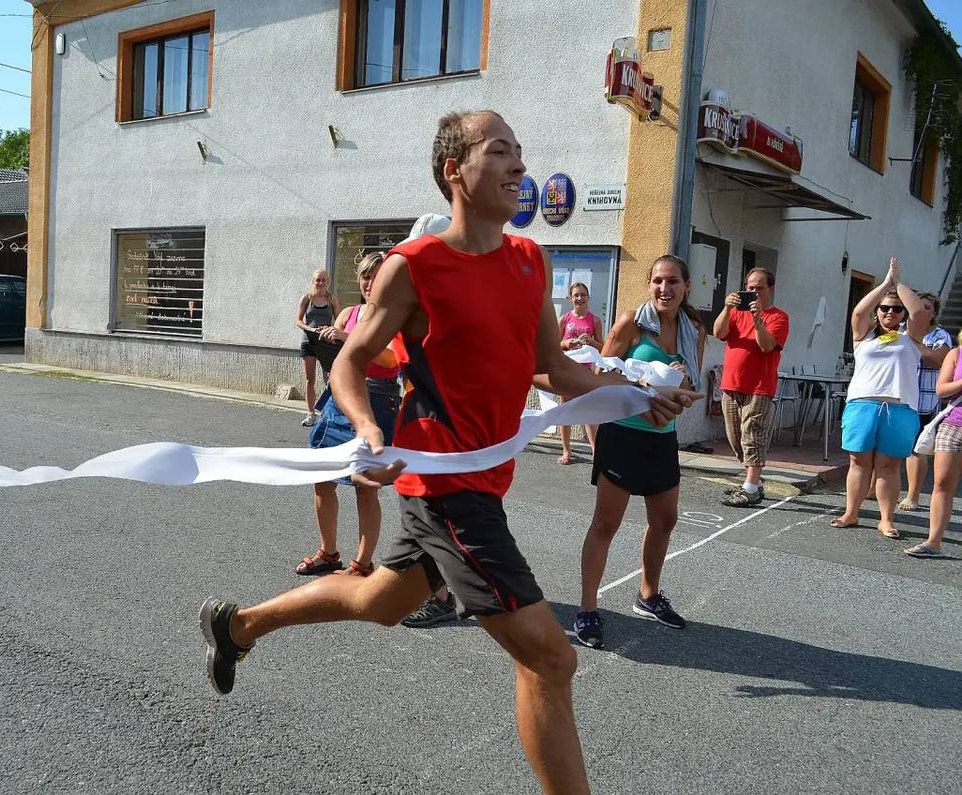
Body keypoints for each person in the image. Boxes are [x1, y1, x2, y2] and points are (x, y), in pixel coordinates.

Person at [199, 110, 696, 793]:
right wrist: (368, 433)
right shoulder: (415, 268)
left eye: (521, 151)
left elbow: (550, 366)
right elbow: (350, 361)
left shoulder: (529, 261)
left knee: (380, 599)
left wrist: (638, 391)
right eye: (500, 151)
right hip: (443, 489)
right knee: (549, 659)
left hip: (486, 480)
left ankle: (238, 624)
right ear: (453, 171)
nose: (519, 166)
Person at [573, 255, 706, 650]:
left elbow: (690, 386)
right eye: (658, 282)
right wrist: (646, 387)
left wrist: (681, 393)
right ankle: (586, 609)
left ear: (685, 287)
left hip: (662, 437)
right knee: (605, 525)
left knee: (665, 520)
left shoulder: (693, 330)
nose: (665, 289)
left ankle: (648, 596)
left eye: (673, 282)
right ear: (649, 284)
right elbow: (599, 374)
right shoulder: (631, 322)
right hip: (623, 434)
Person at [295, 253, 400, 578]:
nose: (370, 283)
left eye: (377, 276)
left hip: (376, 400)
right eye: (366, 277)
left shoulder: (394, 317)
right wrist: (325, 340)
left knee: (365, 485)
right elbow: (337, 358)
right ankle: (328, 552)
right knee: (321, 476)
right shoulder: (349, 314)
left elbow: (392, 360)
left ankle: (363, 564)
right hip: (339, 397)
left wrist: (349, 340)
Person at [830, 257, 928, 539]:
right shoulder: (864, 336)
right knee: (858, 462)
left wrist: (899, 285)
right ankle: (851, 512)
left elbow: (919, 313)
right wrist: (884, 285)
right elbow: (859, 312)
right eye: (885, 308)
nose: (890, 312)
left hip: (898, 408)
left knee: (889, 466)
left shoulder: (911, 338)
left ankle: (886, 519)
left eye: (896, 309)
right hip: (863, 404)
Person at [712, 267, 789, 507]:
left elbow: (766, 345)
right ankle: (752, 480)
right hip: (732, 384)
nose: (753, 292)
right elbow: (718, 332)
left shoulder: (779, 317)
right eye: (750, 287)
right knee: (736, 438)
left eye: (759, 288)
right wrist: (726, 308)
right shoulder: (735, 313)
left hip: (759, 386)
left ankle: (751, 487)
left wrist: (757, 320)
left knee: (753, 435)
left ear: (770, 289)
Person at [906, 335, 962, 558]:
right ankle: (933, 541)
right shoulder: (956, 353)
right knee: (942, 483)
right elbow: (942, 389)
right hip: (954, 424)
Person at [898, 292, 953, 512]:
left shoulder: (940, 335)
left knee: (916, 449)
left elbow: (937, 360)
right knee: (887, 446)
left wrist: (912, 343)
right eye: (918, 307)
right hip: (898, 396)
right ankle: (873, 489)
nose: (921, 311)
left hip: (924, 400)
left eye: (927, 308)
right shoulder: (900, 329)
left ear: (934, 313)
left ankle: (913, 495)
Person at [556, 282, 603, 465]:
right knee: (565, 412)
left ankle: (595, 451)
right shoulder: (564, 319)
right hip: (566, 371)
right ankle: (566, 451)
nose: (579, 298)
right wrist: (568, 343)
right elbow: (554, 345)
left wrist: (590, 342)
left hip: (585, 373)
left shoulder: (595, 320)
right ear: (570, 298)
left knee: (589, 413)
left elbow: (604, 347)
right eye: (576, 295)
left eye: (583, 295)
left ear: (588, 297)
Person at [294, 269, 340, 427]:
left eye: (323, 280)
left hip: (326, 343)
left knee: (331, 379)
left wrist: (332, 331)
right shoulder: (307, 298)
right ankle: (311, 413)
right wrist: (311, 329)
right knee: (310, 379)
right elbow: (298, 321)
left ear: (328, 282)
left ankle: (328, 413)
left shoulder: (332, 298)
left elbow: (339, 320)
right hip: (309, 341)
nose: (320, 283)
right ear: (313, 281)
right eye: (317, 280)